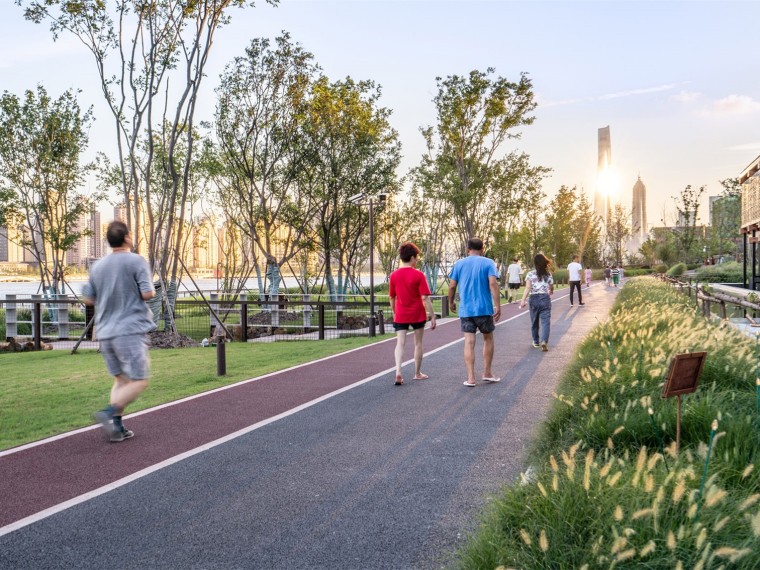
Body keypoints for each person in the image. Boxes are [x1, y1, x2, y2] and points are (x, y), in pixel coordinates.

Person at [84, 221, 156, 442]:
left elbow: (88, 299)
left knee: (121, 380)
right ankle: (108, 413)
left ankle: (117, 428)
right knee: (140, 380)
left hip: (104, 332)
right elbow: (148, 293)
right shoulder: (136, 261)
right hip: (129, 330)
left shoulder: (97, 266)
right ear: (127, 238)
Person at [448, 237, 502, 387]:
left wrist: (451, 302)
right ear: (482, 249)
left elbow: (452, 286)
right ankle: (487, 372)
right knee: (488, 339)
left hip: (466, 310)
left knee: (469, 342)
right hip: (484, 309)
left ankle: (471, 378)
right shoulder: (488, 262)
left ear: (468, 249)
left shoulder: (459, 264)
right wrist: (498, 305)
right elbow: (493, 283)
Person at [389, 242, 437, 385]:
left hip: (401, 313)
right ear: (411, 258)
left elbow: (392, 297)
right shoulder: (419, 275)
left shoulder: (394, 275)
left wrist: (394, 313)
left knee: (400, 343)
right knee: (418, 343)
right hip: (417, 313)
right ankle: (417, 373)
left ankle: (398, 372)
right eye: (416, 258)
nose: (417, 260)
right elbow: (425, 298)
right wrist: (433, 315)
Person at [519, 253, 554, 352]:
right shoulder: (548, 274)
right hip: (545, 298)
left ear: (535, 263)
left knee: (534, 322)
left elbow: (528, 288)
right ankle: (544, 341)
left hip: (533, 299)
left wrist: (523, 300)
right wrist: (551, 291)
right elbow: (551, 286)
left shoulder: (530, 274)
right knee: (545, 322)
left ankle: (536, 341)